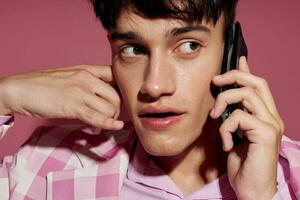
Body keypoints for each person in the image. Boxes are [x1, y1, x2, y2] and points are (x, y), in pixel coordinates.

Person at [0, 0, 299, 199]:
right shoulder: (47, 163)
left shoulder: (291, 177)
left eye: (189, 45)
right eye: (133, 49)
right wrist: (3, 96)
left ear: (233, 52)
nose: (154, 86)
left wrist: (262, 196)